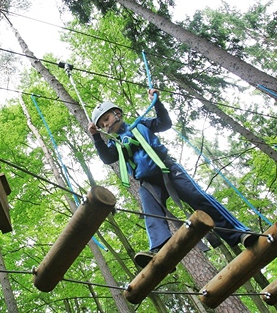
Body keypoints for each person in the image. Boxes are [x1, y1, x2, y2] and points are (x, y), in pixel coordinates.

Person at [88, 89, 258, 268]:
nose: (106, 125)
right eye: (102, 124)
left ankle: (239, 233)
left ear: (117, 113)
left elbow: (164, 123)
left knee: (198, 198)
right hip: (148, 183)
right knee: (151, 212)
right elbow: (108, 158)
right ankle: (159, 250)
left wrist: (157, 102)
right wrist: (96, 138)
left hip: (168, 170)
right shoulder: (117, 144)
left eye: (106, 119)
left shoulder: (141, 124)